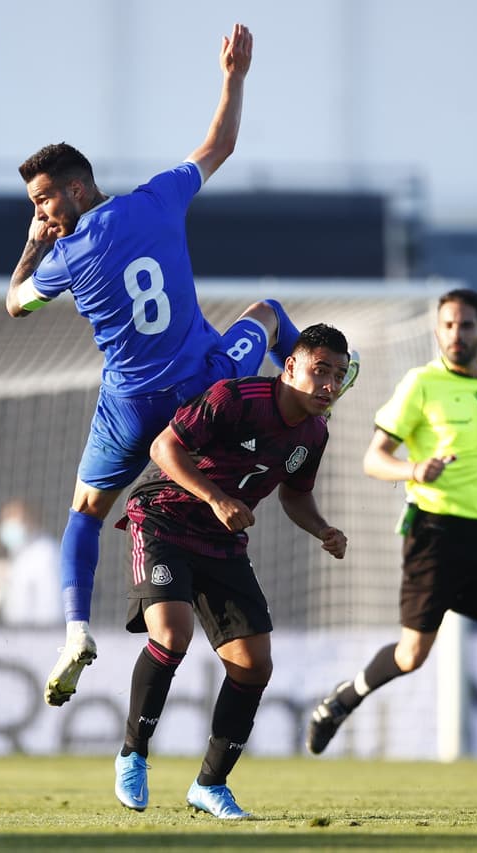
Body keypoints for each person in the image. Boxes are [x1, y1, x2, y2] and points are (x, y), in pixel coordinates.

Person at [6, 24, 355, 707]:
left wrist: (28, 245)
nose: (42, 211)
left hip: (131, 402)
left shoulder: (65, 259)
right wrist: (234, 77)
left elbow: (16, 304)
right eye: (33, 206)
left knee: (85, 510)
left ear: (78, 189)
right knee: (266, 313)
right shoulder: (157, 198)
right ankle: (310, 393)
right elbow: (219, 145)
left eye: (45, 198)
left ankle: (75, 629)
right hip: (205, 379)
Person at [304, 288, 477, 805]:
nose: (457, 334)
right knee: (412, 654)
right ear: (438, 331)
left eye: (466, 325)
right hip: (436, 534)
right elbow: (374, 457)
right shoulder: (420, 384)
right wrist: (414, 469)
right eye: (448, 325)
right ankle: (341, 701)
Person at [112, 324, 351, 819]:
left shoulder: (315, 433)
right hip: (163, 518)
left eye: (339, 375)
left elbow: (296, 494)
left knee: (254, 664)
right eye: (320, 370)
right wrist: (218, 497)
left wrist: (323, 529)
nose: (329, 384)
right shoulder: (234, 398)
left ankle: (210, 784)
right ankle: (133, 753)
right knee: (172, 636)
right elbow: (164, 450)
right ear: (291, 366)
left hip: (221, 542)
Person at [0, 500, 64, 627]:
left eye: (14, 518)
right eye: (6, 518)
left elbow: (52, 604)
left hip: (40, 634)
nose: (8, 525)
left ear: (30, 520)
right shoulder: (14, 553)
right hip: (15, 633)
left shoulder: (46, 552)